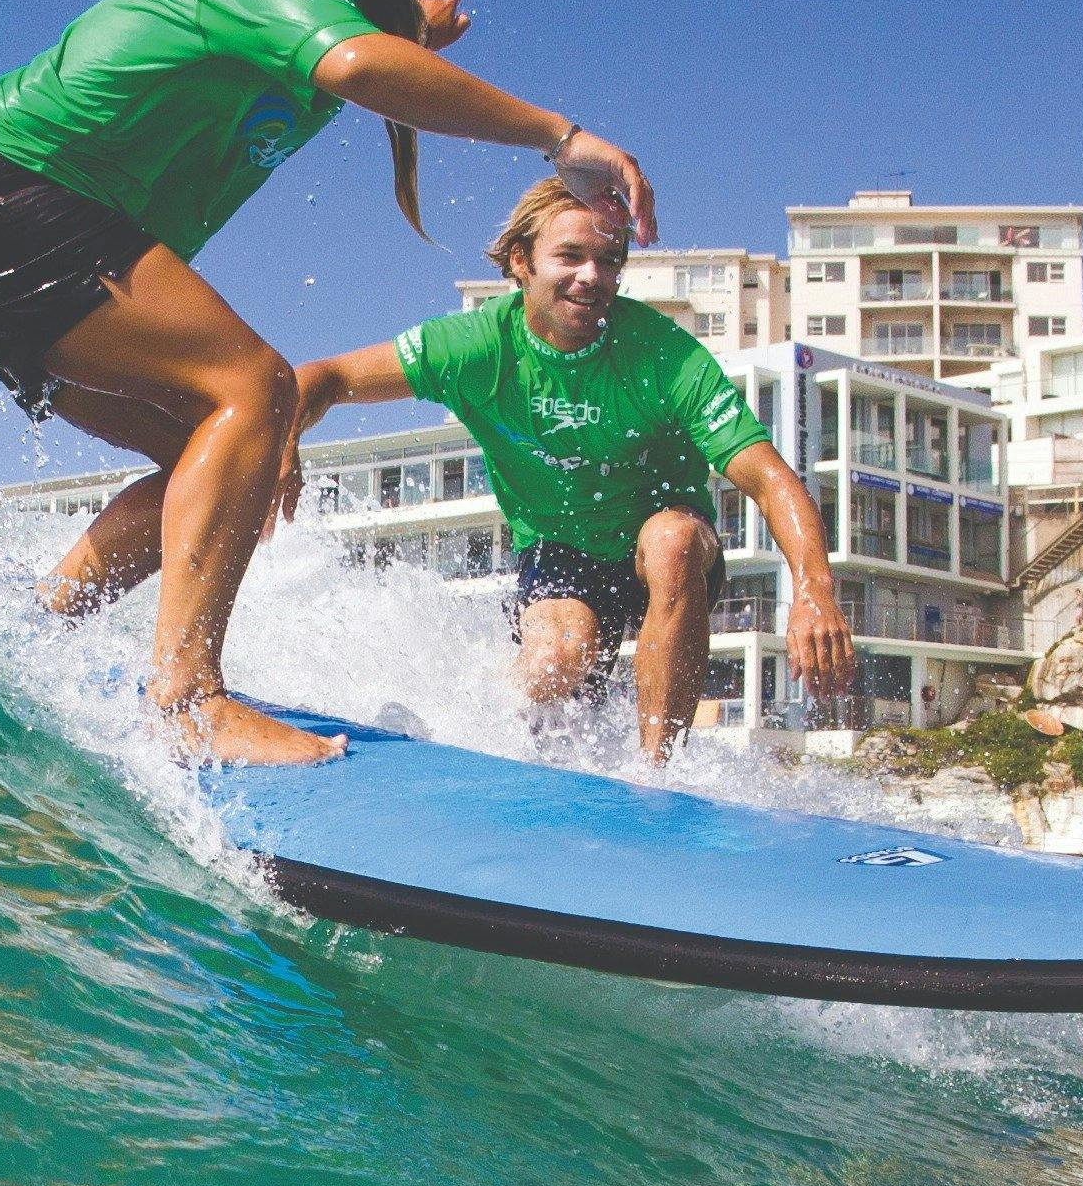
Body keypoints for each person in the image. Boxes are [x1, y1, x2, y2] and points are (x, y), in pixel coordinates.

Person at [0, 0, 652, 766]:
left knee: (221, 468)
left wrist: (422, 23)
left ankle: (34, 632)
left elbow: (379, 36)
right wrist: (559, 136)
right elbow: (349, 63)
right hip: (15, 194)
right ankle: (190, 699)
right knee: (256, 391)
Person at [288, 181, 856, 759]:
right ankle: (502, 756)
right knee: (554, 664)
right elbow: (322, 378)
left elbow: (770, 478)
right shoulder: (477, 347)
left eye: (609, 261)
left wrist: (814, 591)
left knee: (673, 540)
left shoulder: (663, 355)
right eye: (570, 256)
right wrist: (280, 446)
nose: (592, 275)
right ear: (521, 261)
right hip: (561, 549)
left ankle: (661, 773)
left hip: (664, 548)